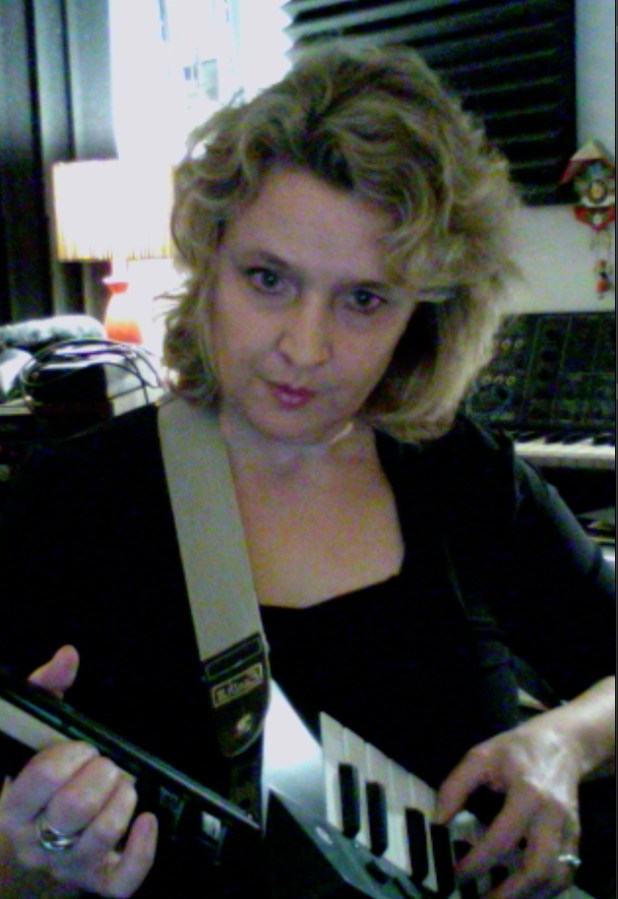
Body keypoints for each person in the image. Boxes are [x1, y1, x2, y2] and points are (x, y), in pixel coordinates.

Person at [0, 43, 614, 899]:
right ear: (209, 263)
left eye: (364, 299)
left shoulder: (458, 469)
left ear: (421, 315)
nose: (306, 345)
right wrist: (32, 862)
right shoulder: (70, 500)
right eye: (268, 279)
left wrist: (565, 741)